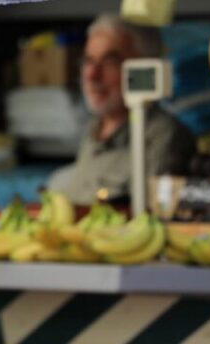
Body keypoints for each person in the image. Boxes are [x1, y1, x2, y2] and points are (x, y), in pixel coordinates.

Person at [48, 15, 196, 206]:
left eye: (110, 62)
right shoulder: (94, 128)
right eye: (88, 61)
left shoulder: (165, 135)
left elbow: (151, 215)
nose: (92, 75)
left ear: (144, 65)